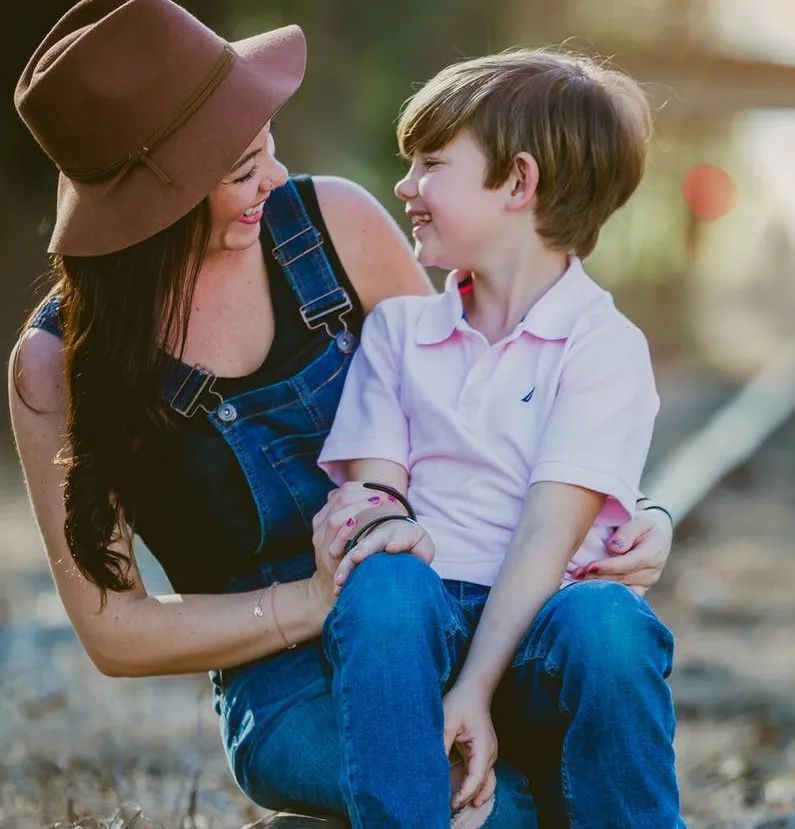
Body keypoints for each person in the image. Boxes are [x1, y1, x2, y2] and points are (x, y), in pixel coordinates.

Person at [8, 2, 677, 826]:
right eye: (242, 167)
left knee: (570, 680)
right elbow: (113, 631)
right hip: (289, 680)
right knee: (500, 810)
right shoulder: (57, 368)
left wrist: (628, 511)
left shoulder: (336, 229)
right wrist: (315, 598)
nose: (276, 178)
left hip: (434, 623)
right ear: (161, 199)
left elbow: (475, 409)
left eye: (270, 148)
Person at [314, 50, 684, 828]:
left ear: (518, 182)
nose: (405, 186)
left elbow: (551, 533)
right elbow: (382, 508)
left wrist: (477, 687)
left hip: (538, 636)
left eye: (431, 163)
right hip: (420, 630)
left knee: (610, 622)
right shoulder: (401, 330)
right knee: (383, 579)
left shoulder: (601, 345)